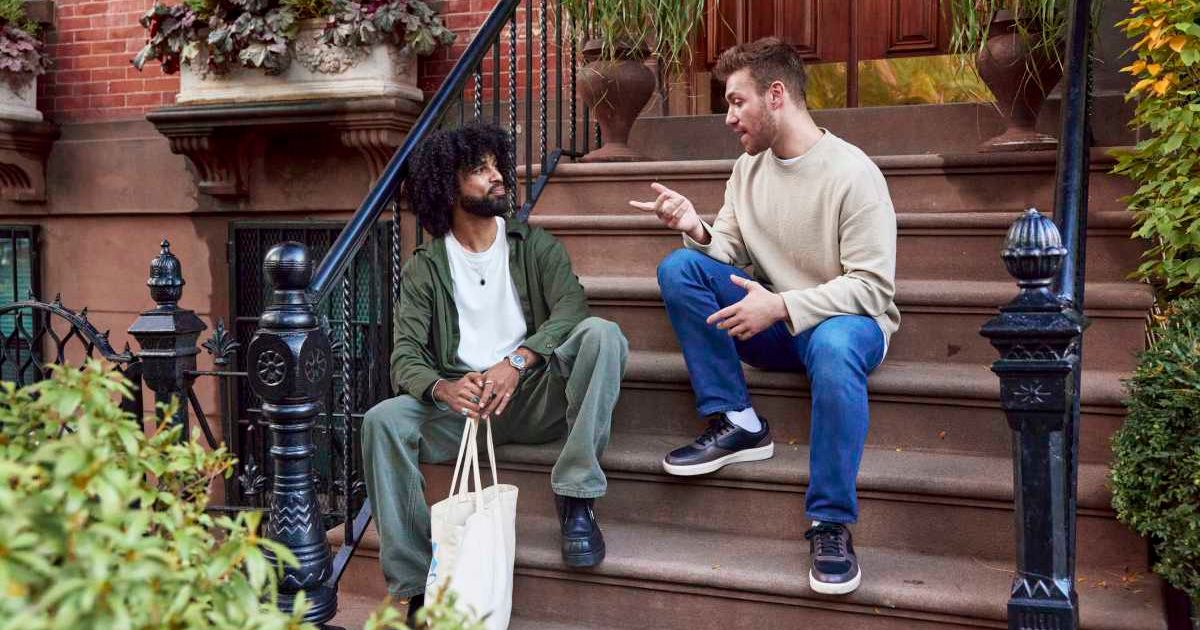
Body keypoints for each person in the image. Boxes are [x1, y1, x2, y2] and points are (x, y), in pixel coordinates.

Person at [630, 38, 899, 596]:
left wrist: (782, 304)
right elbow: (729, 250)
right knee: (681, 267)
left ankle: (830, 522)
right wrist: (695, 226)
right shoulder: (747, 170)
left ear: (776, 96)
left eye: (735, 102)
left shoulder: (854, 174)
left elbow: (871, 288)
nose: (728, 118)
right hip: (772, 320)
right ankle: (739, 421)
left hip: (845, 326)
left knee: (832, 347)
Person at [363, 122, 628, 617]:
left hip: (532, 397)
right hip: (462, 413)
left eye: (496, 165)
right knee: (383, 420)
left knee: (603, 335)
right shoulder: (427, 266)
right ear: (448, 187)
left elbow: (571, 309)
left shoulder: (533, 245)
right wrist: (443, 388)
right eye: (480, 170)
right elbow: (405, 356)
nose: (497, 176)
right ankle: (417, 582)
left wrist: (518, 361)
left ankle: (576, 498)